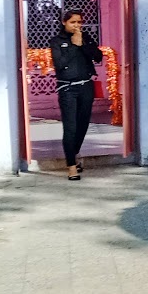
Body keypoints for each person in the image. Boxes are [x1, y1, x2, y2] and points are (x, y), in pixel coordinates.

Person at [49, 10, 102, 180]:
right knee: (70, 127)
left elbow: (98, 57)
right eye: (73, 22)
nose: (77, 25)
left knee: (83, 125)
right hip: (67, 88)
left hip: (86, 86)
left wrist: (83, 44)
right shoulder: (56, 41)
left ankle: (74, 153)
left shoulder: (85, 37)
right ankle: (71, 166)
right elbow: (59, 64)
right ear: (64, 22)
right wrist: (73, 46)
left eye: (79, 22)